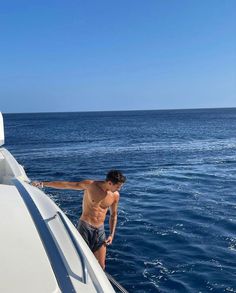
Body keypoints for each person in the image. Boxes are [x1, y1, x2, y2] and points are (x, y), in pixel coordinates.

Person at [32, 169, 126, 270]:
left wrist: (112, 234)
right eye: (118, 186)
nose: (119, 189)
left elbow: (113, 215)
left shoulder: (115, 195)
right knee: (81, 259)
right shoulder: (91, 185)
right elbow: (67, 185)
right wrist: (43, 184)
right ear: (110, 183)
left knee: (101, 265)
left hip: (100, 230)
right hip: (85, 226)